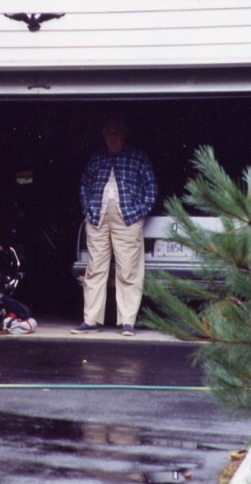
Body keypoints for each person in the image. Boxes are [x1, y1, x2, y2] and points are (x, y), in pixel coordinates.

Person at [71, 118, 157, 336]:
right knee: (95, 269)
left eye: (117, 133)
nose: (113, 137)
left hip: (127, 219)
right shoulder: (97, 158)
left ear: (124, 134)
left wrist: (139, 214)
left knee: (128, 270)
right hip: (98, 218)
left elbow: (151, 188)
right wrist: (87, 209)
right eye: (109, 134)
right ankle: (90, 320)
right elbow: (84, 185)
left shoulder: (138, 157)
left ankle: (127, 321)